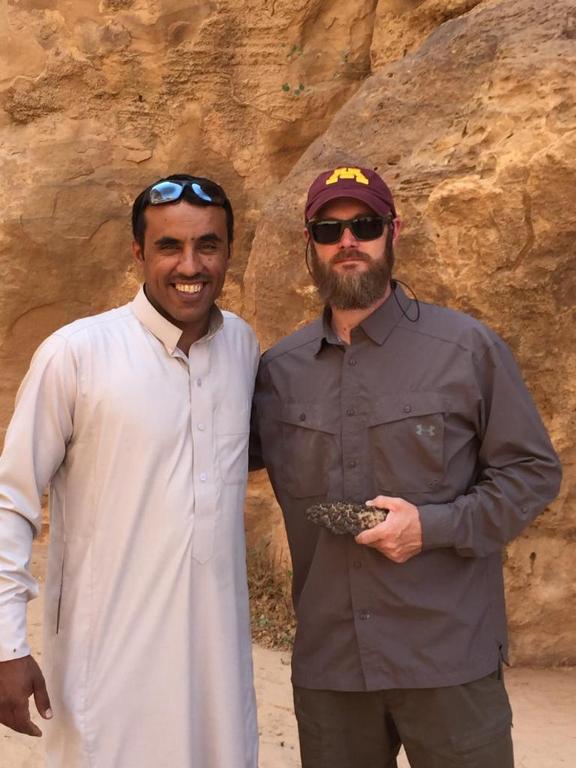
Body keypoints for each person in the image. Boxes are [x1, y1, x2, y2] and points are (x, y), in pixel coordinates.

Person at [251, 165, 562, 768]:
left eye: (365, 225)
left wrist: (433, 527)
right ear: (309, 244)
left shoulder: (466, 349)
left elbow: (531, 472)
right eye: (328, 230)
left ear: (394, 232)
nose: (348, 241)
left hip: (448, 661)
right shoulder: (279, 371)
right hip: (332, 670)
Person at [0, 174, 259, 767]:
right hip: (107, 677)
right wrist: (6, 644)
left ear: (228, 251)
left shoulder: (242, 347)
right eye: (169, 246)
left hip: (218, 678)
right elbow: (11, 500)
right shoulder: (77, 354)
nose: (190, 265)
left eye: (207, 245)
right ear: (138, 252)